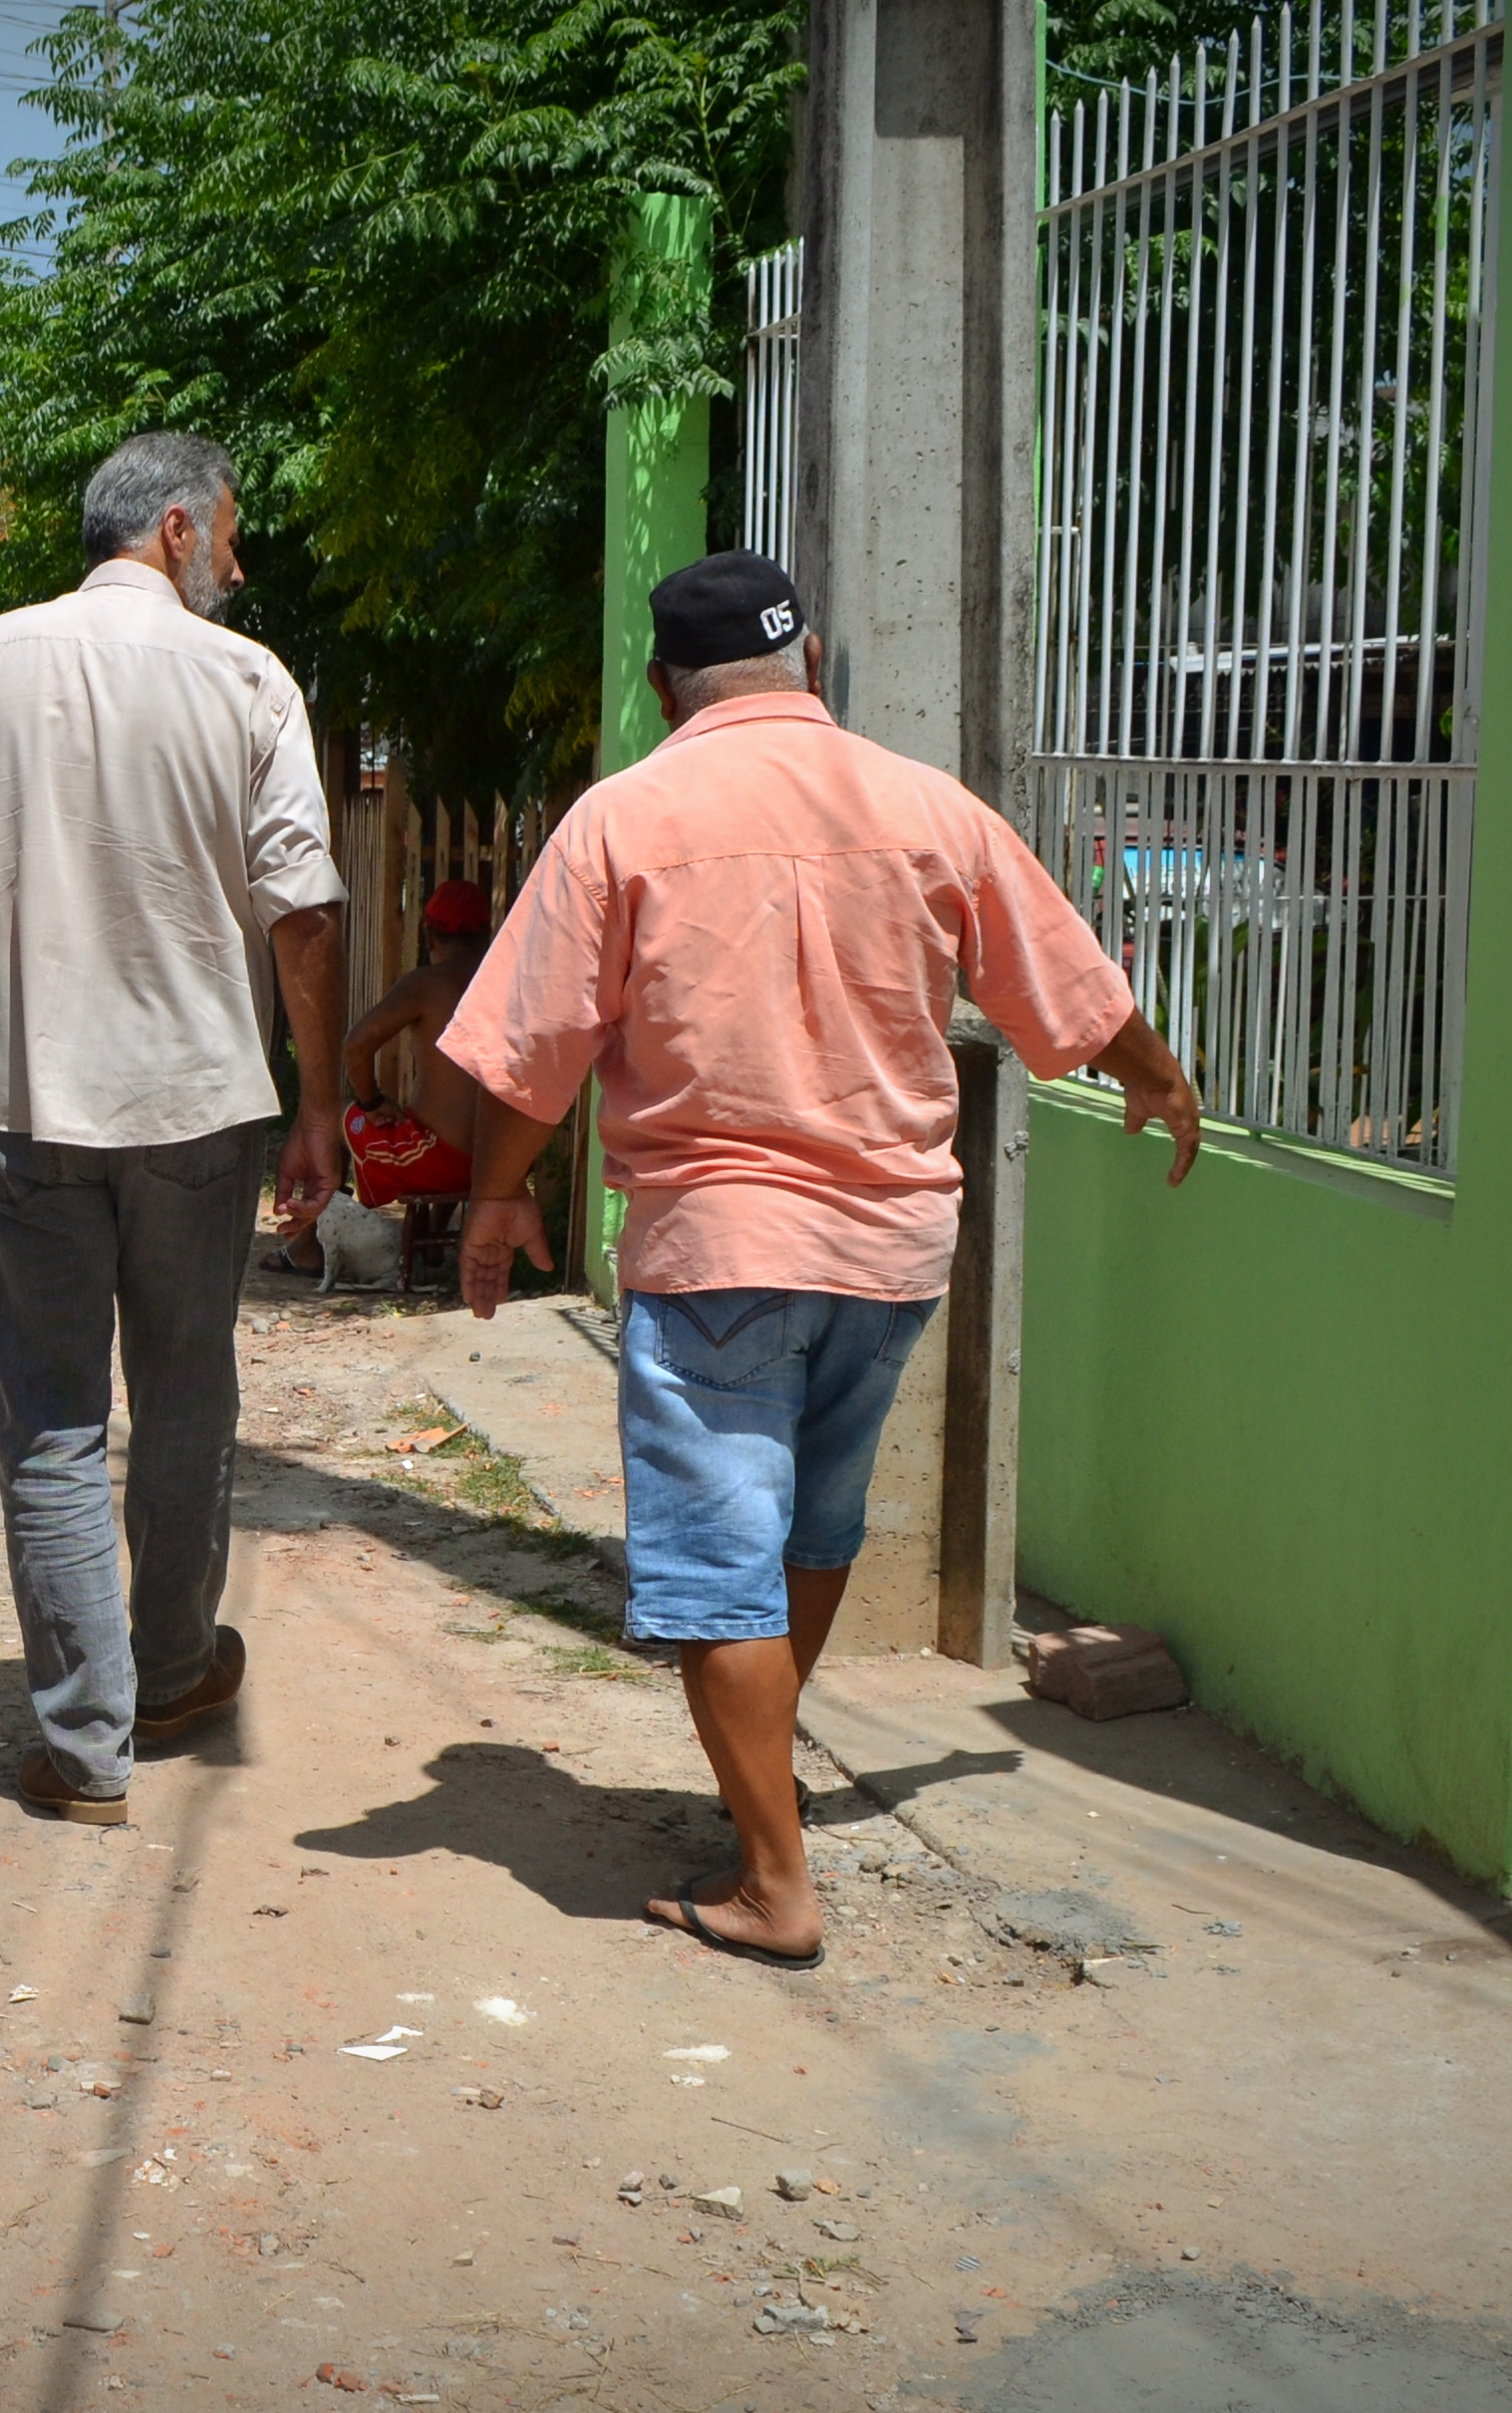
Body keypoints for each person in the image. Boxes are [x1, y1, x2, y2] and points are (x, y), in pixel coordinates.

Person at [437, 549, 1200, 1969]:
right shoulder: (927, 807)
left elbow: (529, 1049)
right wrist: (1157, 1078)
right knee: (811, 1533)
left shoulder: (625, 819)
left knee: (723, 1564)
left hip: (719, 1243)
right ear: (818, 657)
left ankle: (776, 1883)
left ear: (664, 685)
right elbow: (1067, 983)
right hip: (891, 1249)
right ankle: (762, 1820)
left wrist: (495, 1204)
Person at [0, 430, 348, 1828]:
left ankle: (87, 1750)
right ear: (179, 532)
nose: (240, 561)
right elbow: (304, 912)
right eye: (232, 532)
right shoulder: (248, 678)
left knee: (55, 1421)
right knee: (188, 1393)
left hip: (29, 1111)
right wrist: (320, 1101)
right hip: (203, 1107)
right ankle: (180, 1666)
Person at [286, 876, 498, 1281]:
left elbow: (355, 1047)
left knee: (334, 1118)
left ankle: (310, 1243)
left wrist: (370, 1101)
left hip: (437, 1160)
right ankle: (431, 1240)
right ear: (488, 935)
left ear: (429, 936)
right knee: (449, 1122)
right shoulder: (510, 985)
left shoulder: (426, 984)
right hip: (498, 1160)